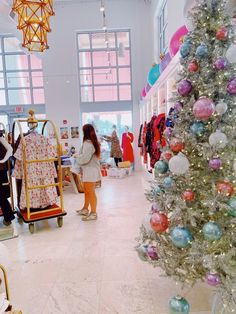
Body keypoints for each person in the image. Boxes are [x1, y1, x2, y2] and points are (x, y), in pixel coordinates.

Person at [75, 124, 101, 221]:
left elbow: (85, 158)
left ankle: (93, 213)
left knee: (90, 191)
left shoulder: (88, 144)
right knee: (87, 190)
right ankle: (85, 209)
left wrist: (77, 157)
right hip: (89, 170)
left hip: (90, 170)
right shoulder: (91, 143)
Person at [0, 135, 15, 226]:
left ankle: (8, 216)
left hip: (0, 169)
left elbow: (10, 149)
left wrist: (2, 160)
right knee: (1, 193)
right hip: (1, 169)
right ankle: (8, 216)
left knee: (1, 193)